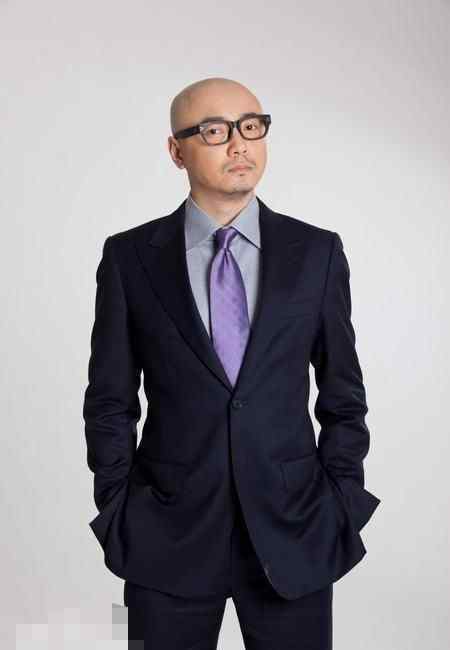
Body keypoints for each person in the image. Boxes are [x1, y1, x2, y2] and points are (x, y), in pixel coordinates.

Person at [83, 76, 381, 649]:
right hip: (165, 533)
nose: (239, 143)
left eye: (251, 126)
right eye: (214, 131)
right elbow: (109, 401)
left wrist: (341, 498)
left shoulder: (317, 252)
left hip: (295, 528)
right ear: (176, 151)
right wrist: (118, 507)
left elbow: (344, 393)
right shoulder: (128, 257)